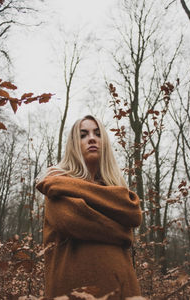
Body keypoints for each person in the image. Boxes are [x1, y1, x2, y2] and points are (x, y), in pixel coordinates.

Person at [36, 115, 142, 299]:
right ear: (74, 144)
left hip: (123, 289)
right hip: (73, 290)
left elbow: (133, 212)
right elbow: (72, 221)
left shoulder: (113, 189)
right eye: (83, 135)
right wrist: (123, 233)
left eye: (98, 134)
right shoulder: (57, 186)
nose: (92, 138)